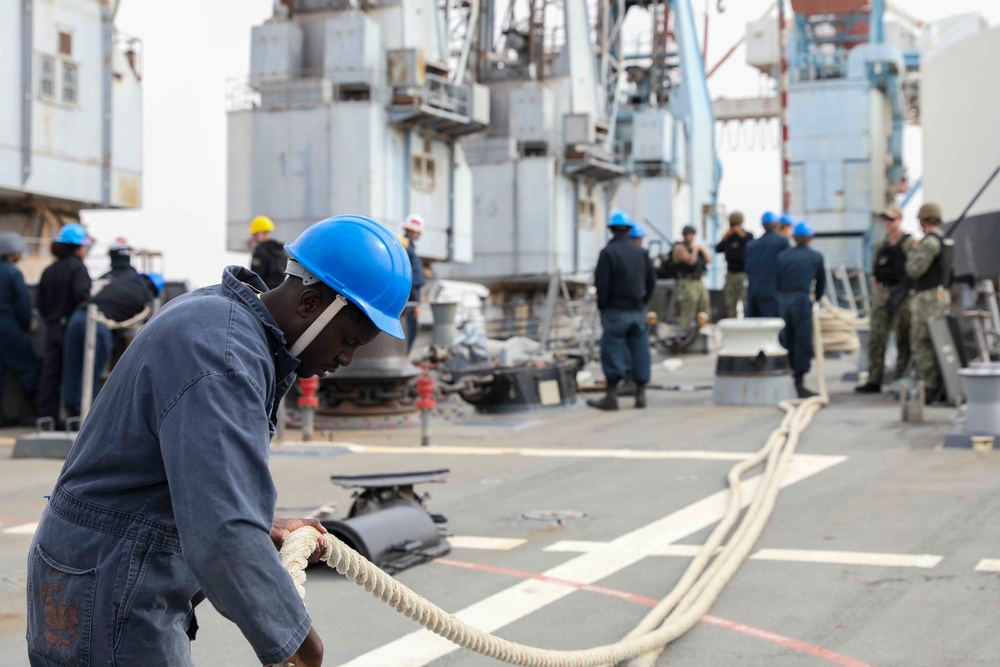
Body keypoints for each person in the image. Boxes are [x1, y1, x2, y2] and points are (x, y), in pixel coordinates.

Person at [26, 214, 412, 667]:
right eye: (347, 339)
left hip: (91, 572)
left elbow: (182, 478)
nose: (346, 358)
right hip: (107, 590)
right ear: (309, 304)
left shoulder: (220, 321)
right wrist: (300, 646)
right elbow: (222, 537)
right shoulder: (224, 359)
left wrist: (255, 522)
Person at [61, 273, 165, 418]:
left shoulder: (122, 280)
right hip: (98, 324)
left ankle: (69, 413)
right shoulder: (146, 298)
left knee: (72, 368)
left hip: (78, 316)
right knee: (91, 373)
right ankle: (84, 417)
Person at [588, 210, 656, 411]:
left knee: (612, 350)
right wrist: (643, 301)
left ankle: (611, 396)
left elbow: (602, 284)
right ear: (628, 230)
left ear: (611, 230)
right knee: (640, 350)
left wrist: (604, 306)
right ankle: (640, 394)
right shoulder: (641, 253)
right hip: (637, 310)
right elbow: (652, 281)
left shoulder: (608, 253)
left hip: (615, 310)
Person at [36, 223, 92, 424]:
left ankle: (46, 418)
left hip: (52, 328)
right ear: (77, 247)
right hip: (71, 328)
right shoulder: (78, 268)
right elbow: (82, 296)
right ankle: (74, 417)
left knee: (50, 374)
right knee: (73, 372)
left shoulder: (49, 270)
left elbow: (40, 302)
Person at [855, 205, 914, 394]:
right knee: (876, 337)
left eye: (892, 219)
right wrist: (879, 292)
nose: (888, 223)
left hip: (901, 295)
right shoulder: (881, 244)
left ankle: (900, 379)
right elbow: (874, 271)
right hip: (883, 293)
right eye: (886, 220)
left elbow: (913, 271)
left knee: (902, 338)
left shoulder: (908, 242)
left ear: (900, 220)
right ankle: (874, 379)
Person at [904, 202, 951, 404]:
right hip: (941, 295)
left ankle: (931, 387)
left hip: (928, 299)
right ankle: (941, 385)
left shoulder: (929, 243)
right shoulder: (946, 240)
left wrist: (913, 251)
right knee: (938, 341)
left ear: (924, 220)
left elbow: (914, 270)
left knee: (921, 341)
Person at [776, 221, 826, 398]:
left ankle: (784, 377)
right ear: (810, 238)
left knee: (785, 338)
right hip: (801, 299)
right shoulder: (816, 256)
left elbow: (777, 279)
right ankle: (799, 381)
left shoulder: (782, 256)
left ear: (794, 237)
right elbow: (821, 283)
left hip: (783, 299)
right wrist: (816, 299)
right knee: (802, 339)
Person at [0, 232, 39, 426]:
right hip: (8, 328)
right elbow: (23, 306)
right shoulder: (13, 273)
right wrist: (25, 326)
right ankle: (28, 413)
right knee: (28, 368)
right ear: (13, 254)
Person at [745, 211, 791, 318]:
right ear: (776, 224)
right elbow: (787, 267)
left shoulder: (751, 245)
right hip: (773, 293)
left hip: (753, 292)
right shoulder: (782, 242)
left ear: (762, 225)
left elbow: (747, 268)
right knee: (774, 328)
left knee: (754, 328)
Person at [715, 211, 754, 319]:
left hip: (743, 273)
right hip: (730, 273)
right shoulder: (729, 237)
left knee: (745, 302)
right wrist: (725, 237)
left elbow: (752, 245)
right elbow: (718, 249)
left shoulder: (747, 236)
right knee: (730, 303)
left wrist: (741, 234)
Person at [672, 225, 711, 329]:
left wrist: (701, 249)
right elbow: (690, 261)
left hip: (698, 281)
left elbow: (708, 259)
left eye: (693, 235)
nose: (691, 237)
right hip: (687, 281)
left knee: (704, 304)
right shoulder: (679, 248)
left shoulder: (695, 247)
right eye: (689, 235)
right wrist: (695, 250)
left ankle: (703, 328)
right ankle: (684, 331)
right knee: (688, 307)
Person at [402, 213, 427, 352]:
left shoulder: (409, 248)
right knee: (409, 334)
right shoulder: (407, 249)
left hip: (410, 301)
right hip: (410, 303)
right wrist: (416, 303)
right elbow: (412, 278)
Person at [249, 214, 288, 290]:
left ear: (260, 233)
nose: (253, 237)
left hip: (262, 294)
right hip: (278, 293)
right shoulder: (280, 250)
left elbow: (255, 278)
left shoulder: (260, 252)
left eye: (254, 234)